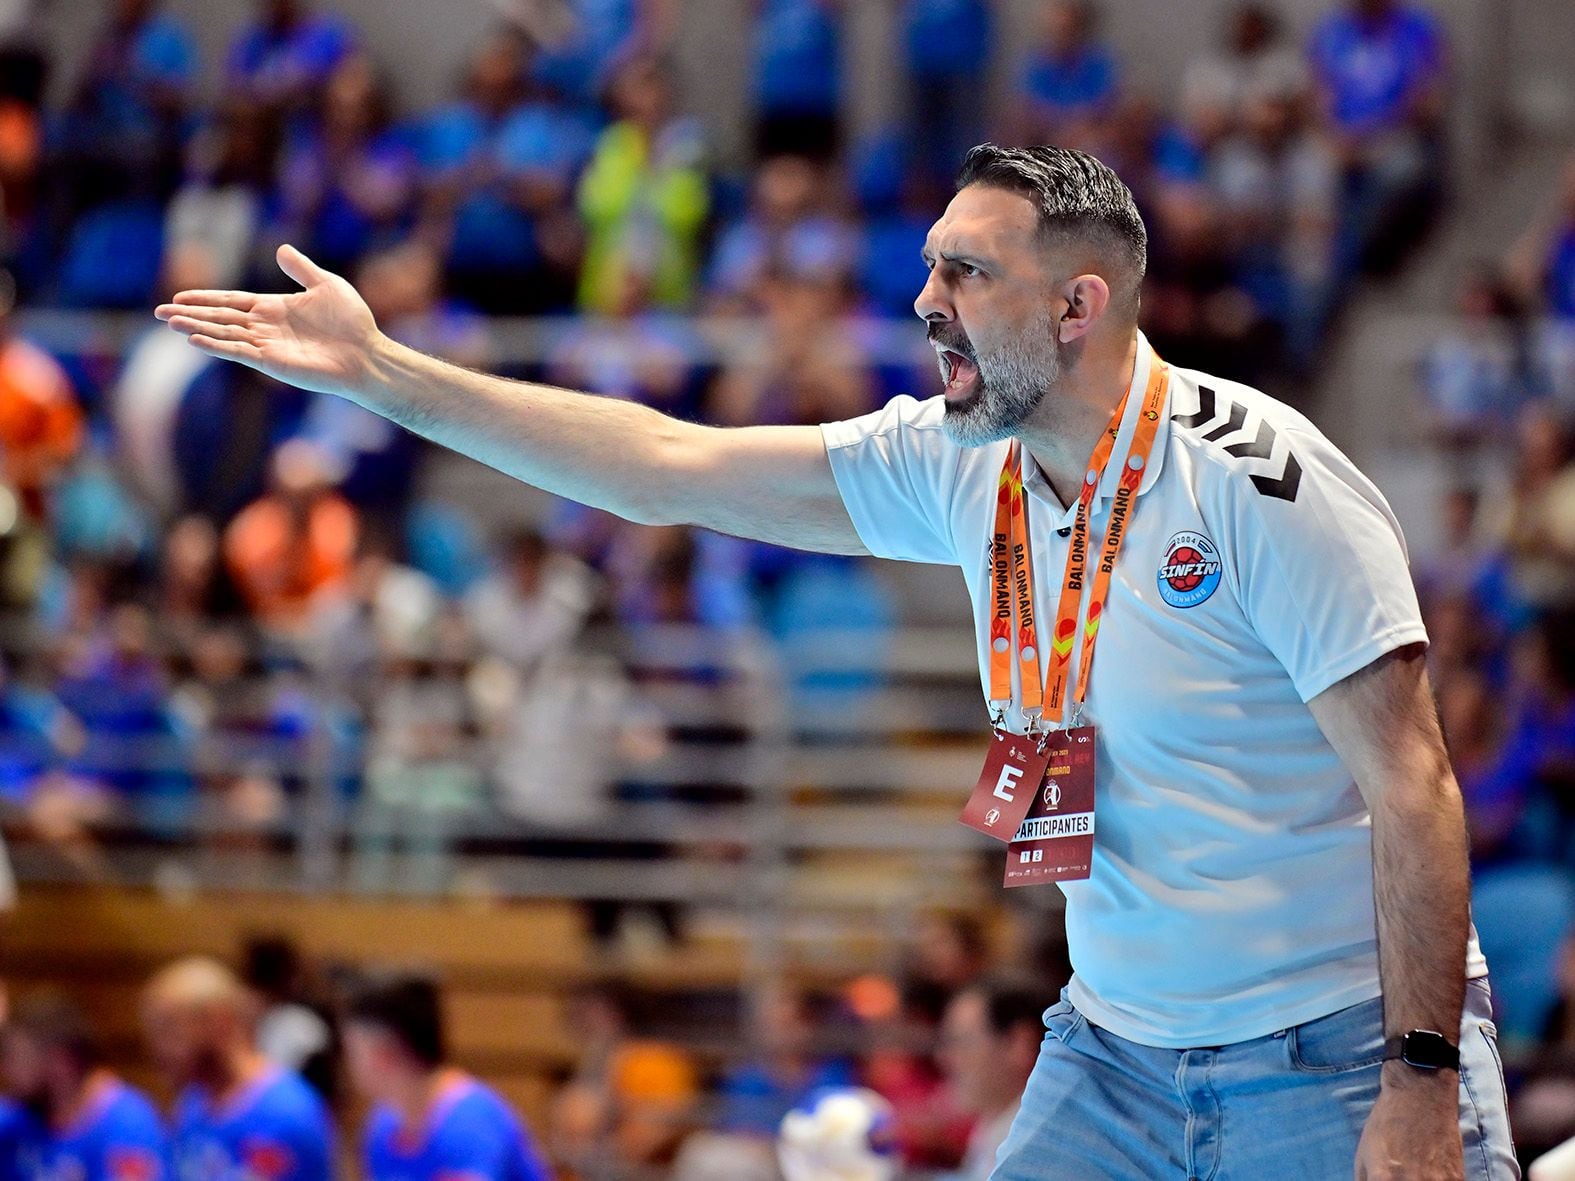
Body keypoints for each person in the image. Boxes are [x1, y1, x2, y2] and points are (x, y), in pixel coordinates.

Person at [156, 140, 1515, 1177]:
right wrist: (391, 377)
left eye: (962, 274)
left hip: (1328, 1051)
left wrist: (1410, 1078)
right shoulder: (955, 464)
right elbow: (666, 465)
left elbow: (1413, 791)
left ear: (1075, 307)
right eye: (926, 264)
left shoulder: (1260, 487)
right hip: (1114, 1054)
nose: (921, 301)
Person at [341, 971, 551, 1181]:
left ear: (384, 1055)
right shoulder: (383, 1126)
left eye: (352, 1050)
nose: (346, 1063)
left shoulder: (468, 1121)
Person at [142, 957, 334, 1181]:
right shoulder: (193, 1103)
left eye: (170, 1031)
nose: (158, 1050)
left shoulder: (286, 1111)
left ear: (220, 1022)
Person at [1, 993, 168, 1181]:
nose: (5, 1070)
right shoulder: (20, 1116)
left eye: (17, 1058)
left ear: (62, 1063)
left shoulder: (127, 1125)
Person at [938, 978, 1048, 1181]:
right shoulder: (993, 1128)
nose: (946, 1058)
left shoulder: (1041, 1151)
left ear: (1019, 1043)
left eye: (963, 1042)